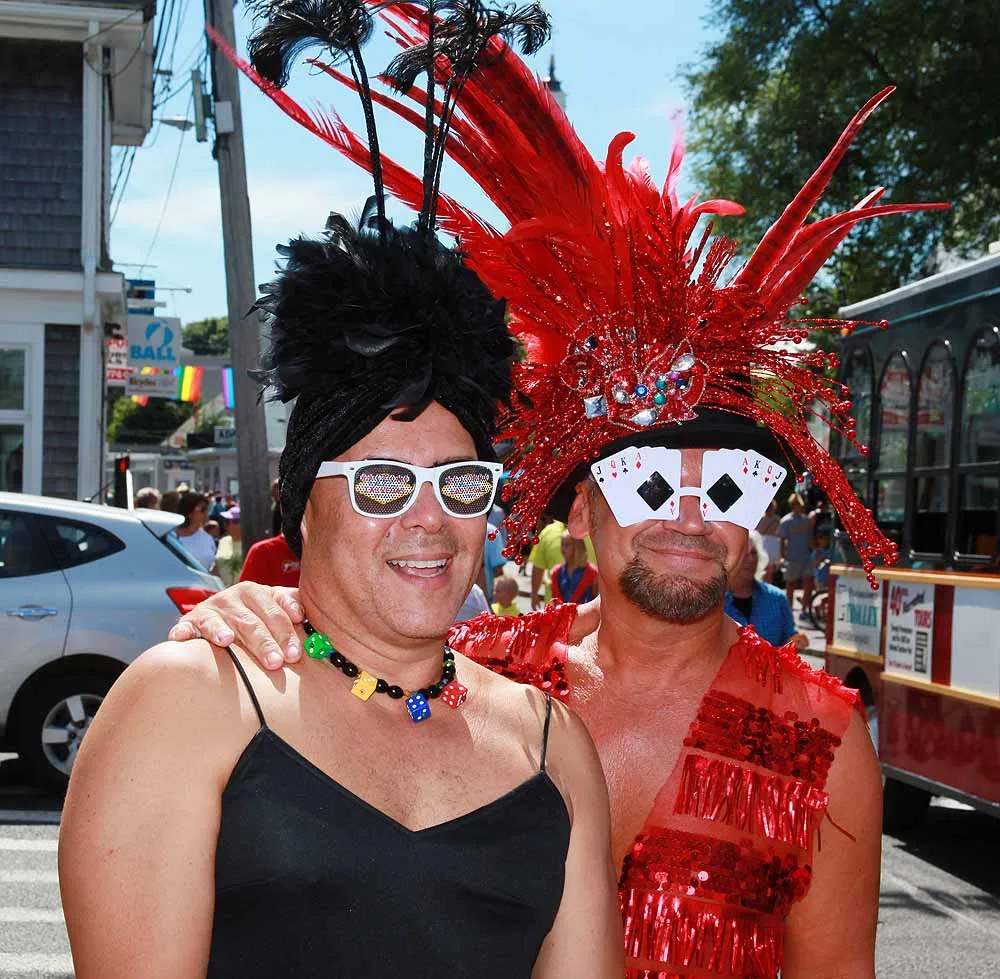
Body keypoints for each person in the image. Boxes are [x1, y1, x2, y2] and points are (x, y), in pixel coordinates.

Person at [167, 17, 945, 977]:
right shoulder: (475, 672)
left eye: (729, 487)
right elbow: (337, 659)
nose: (689, 518)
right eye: (648, 480)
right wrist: (264, 614)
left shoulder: (821, 738)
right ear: (579, 510)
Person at [60, 7, 621, 978]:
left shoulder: (549, 743)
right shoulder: (191, 703)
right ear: (301, 501)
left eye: (461, 482)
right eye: (380, 482)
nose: (429, 518)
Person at [725, 532, 809, 651]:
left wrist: (797, 641)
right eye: (744, 554)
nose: (751, 559)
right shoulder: (716, 602)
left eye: (754, 553)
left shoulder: (777, 598)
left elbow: (789, 636)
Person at [779, 493, 814, 618]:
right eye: (795, 504)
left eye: (799, 504)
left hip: (805, 556)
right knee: (791, 584)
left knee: (808, 582)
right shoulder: (785, 521)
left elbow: (810, 539)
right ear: (792, 506)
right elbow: (782, 541)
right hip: (791, 557)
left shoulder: (806, 520)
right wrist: (782, 556)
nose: (797, 507)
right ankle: (789, 611)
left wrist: (816, 551)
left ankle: (804, 609)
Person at [174, 490, 217, 572]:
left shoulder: (208, 538)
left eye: (207, 509)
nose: (206, 513)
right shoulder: (171, 537)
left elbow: (214, 568)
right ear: (189, 512)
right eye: (202, 509)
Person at [550, 531, 598, 605]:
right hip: (560, 612)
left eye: (567, 545)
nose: (563, 548)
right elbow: (555, 600)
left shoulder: (592, 572)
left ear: (577, 546)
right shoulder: (556, 572)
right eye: (562, 544)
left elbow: (595, 601)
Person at [214, 505, 244, 587]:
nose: (228, 524)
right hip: (221, 590)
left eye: (235, 521)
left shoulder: (250, 543)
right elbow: (217, 566)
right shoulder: (223, 541)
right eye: (227, 521)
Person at [756, 500, 781, 583]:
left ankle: (767, 586)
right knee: (762, 568)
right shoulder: (760, 518)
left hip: (772, 545)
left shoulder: (776, 519)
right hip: (762, 544)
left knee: (770, 569)